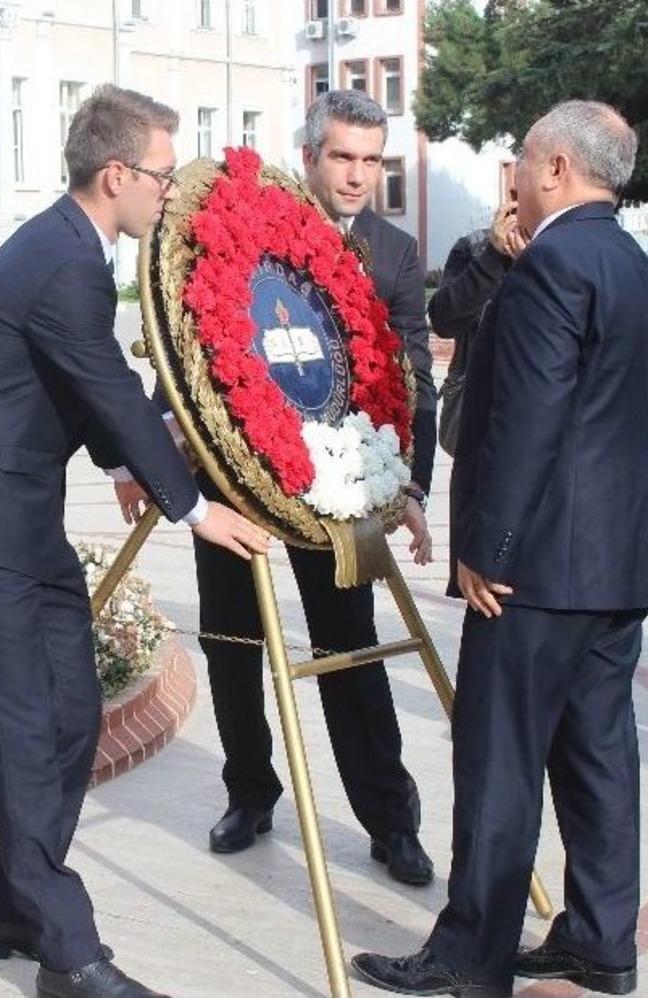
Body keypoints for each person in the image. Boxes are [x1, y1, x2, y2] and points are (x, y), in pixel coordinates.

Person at [0, 85, 269, 998]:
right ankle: (70, 957)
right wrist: (192, 509)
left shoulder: (69, 248)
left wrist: (124, 464)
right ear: (117, 175)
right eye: (162, 175)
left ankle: (6, 911)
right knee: (29, 733)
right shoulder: (63, 260)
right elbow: (101, 380)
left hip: (20, 522)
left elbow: (78, 380)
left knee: (70, 719)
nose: (170, 193)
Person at [351, 100, 648, 997]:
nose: (514, 182)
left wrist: (486, 549)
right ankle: (601, 943)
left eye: (524, 165)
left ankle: (470, 956)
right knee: (600, 761)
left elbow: (528, 425)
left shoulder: (553, 267)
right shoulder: (635, 266)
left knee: (499, 762)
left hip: (534, 566)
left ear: (560, 170)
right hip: (617, 557)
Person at [112, 90, 438, 884]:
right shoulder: (234, 218)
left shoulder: (391, 255)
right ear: (310, 157)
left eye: (371, 160)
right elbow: (186, 331)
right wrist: (145, 460)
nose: (357, 176)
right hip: (227, 478)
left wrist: (410, 487)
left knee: (349, 651)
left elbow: (413, 376)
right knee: (232, 643)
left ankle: (391, 821)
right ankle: (249, 793)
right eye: (342, 157)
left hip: (337, 491)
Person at [428, 191, 526, 457]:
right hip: (476, 418)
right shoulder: (474, 248)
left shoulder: (565, 249)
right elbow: (443, 320)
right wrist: (492, 256)